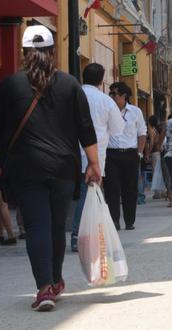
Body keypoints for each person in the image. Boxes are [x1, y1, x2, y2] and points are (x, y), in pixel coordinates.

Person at [0, 25, 100, 311]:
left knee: (37, 225)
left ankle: (45, 288)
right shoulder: (70, 84)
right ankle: (56, 278)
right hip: (63, 167)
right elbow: (85, 129)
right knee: (56, 226)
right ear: (53, 51)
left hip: (25, 168)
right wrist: (94, 163)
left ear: (24, 52)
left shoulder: (10, 85)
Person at [70, 63, 125, 252]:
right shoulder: (105, 101)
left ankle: (80, 234)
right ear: (102, 81)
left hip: (67, 155)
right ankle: (79, 235)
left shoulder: (71, 96)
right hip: (94, 159)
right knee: (87, 199)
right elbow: (118, 131)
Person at [104, 82, 147, 231]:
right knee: (112, 189)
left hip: (130, 154)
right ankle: (114, 221)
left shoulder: (136, 112)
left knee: (130, 189)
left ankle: (129, 221)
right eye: (110, 93)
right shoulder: (108, 111)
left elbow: (142, 133)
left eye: (114, 94)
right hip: (111, 155)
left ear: (124, 96)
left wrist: (139, 153)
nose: (111, 96)